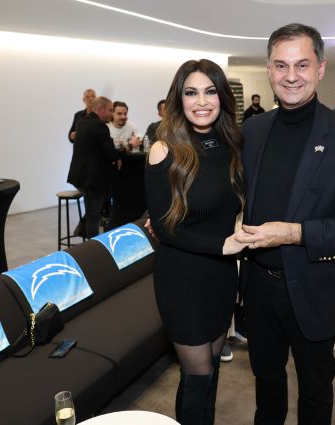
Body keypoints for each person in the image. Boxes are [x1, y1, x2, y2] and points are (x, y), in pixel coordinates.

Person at [234, 23, 335, 425]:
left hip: (316, 289)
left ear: (320, 68)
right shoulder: (252, 131)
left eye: (302, 64)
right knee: (266, 387)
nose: (291, 76)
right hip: (258, 288)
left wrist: (293, 233)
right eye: (281, 65)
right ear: (269, 69)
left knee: (315, 395)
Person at [144, 59, 247, 425]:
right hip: (181, 279)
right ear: (179, 98)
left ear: (222, 97)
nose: (201, 101)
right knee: (197, 374)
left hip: (221, 277)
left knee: (211, 368)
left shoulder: (233, 147)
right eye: (191, 92)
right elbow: (163, 228)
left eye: (209, 91)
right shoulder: (164, 149)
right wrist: (223, 246)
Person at [67, 96, 141, 237]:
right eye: (111, 110)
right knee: (94, 216)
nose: (112, 114)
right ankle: (92, 246)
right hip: (92, 178)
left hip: (80, 175)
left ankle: (88, 236)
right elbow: (111, 154)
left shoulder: (82, 122)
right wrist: (131, 145)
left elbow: (97, 149)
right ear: (101, 110)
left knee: (93, 213)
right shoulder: (100, 126)